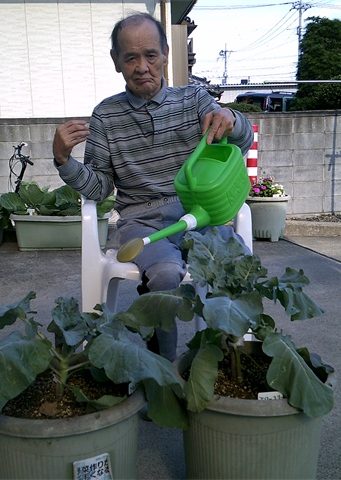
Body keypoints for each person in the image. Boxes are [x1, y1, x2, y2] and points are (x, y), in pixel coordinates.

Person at [52, 13, 254, 361]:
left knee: (237, 262)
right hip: (142, 222)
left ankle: (229, 358)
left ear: (165, 54)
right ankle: (164, 366)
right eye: (131, 57)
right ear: (117, 61)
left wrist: (232, 120)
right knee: (163, 276)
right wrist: (63, 160)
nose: (142, 66)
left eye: (150, 55)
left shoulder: (193, 99)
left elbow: (242, 142)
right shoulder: (106, 116)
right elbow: (99, 188)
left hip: (199, 214)